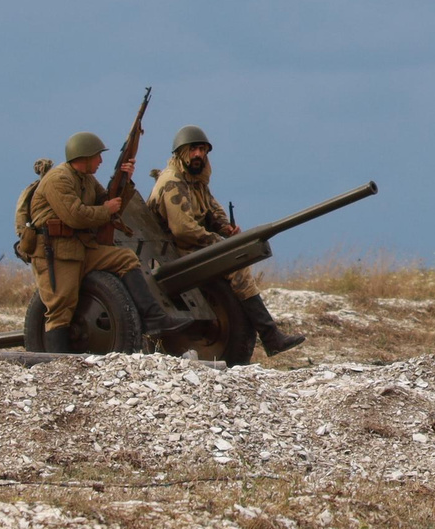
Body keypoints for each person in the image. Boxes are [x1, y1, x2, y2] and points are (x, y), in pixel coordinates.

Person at [149, 125, 304, 356]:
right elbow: (183, 230)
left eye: (202, 150)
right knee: (236, 268)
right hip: (171, 255)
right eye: (194, 150)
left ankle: (267, 336)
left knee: (236, 257)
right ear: (181, 152)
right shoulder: (172, 181)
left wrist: (226, 229)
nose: (199, 155)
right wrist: (216, 241)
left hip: (188, 249)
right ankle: (271, 336)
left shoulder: (196, 180)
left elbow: (212, 210)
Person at [24, 132, 178, 347]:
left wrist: (125, 179)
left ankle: (154, 317)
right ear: (84, 156)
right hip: (57, 252)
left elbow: (107, 201)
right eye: (97, 156)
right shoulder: (58, 179)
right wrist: (106, 210)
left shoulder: (86, 179)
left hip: (80, 248)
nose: (101, 161)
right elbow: (75, 215)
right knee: (62, 306)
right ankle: (56, 362)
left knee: (125, 259)